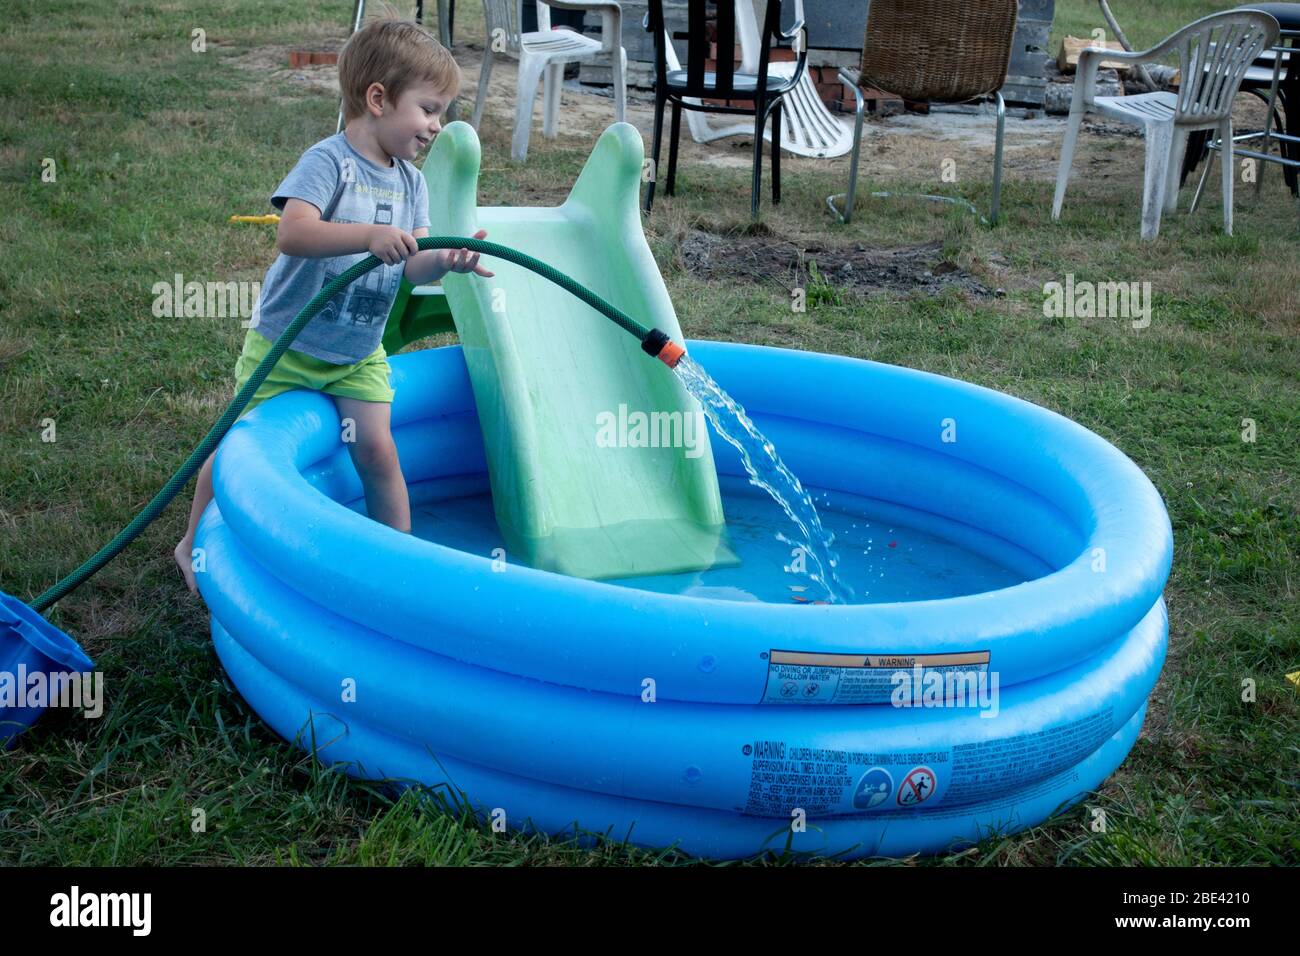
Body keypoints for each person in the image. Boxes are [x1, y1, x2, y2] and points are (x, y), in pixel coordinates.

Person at [174, 16, 493, 593]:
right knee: (238, 451)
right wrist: (366, 236)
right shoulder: (330, 162)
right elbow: (293, 232)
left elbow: (411, 263)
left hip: (356, 352)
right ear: (378, 99)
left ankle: (398, 567)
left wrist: (444, 263)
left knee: (377, 449)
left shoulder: (411, 184)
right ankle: (192, 544)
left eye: (441, 112)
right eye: (428, 108)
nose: (436, 126)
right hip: (287, 346)